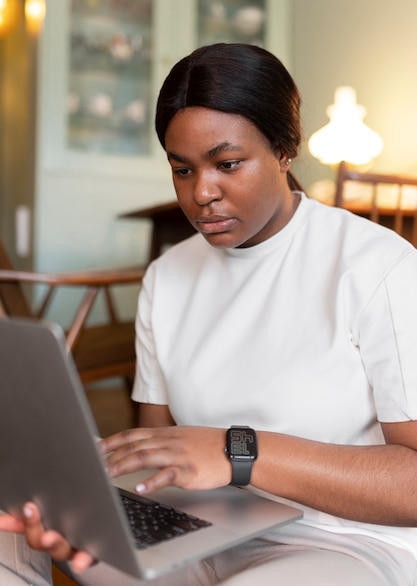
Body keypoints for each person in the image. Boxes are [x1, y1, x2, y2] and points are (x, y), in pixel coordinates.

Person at [1, 42, 417, 586]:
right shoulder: (167, 277)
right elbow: (159, 454)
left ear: (285, 147)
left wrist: (236, 451)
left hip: (344, 540)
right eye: (181, 169)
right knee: (11, 531)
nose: (202, 193)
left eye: (227, 164)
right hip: (197, 530)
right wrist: (88, 512)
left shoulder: (378, 267)